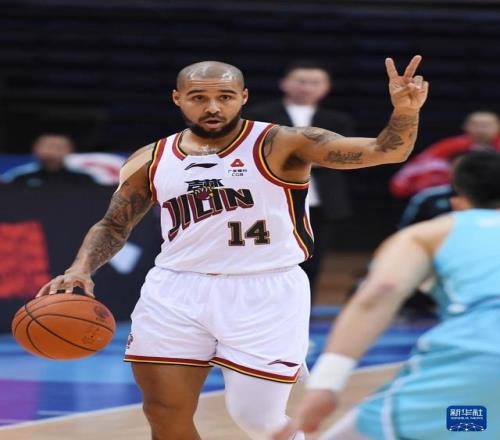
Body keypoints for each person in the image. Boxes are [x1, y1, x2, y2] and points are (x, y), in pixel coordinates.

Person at [37, 57, 427, 440]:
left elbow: (386, 150)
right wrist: (81, 268)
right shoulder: (151, 158)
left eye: (224, 96)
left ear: (243, 97)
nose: (212, 107)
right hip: (175, 291)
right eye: (199, 97)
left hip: (264, 290)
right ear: (178, 98)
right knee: (162, 413)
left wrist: (405, 112)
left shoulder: (282, 143)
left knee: (257, 419)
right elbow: (113, 224)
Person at [275, 151, 500, 440]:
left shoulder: (429, 234)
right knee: (474, 427)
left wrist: (326, 385)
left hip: (481, 355)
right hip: (478, 377)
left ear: (456, 200)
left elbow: (379, 294)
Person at [246, 60, 354, 300]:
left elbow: (344, 156)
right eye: (301, 81)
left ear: (326, 87)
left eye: (315, 83)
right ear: (284, 83)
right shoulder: (259, 116)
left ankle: (303, 317)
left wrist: (292, 157)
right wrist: (312, 156)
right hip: (272, 201)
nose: (307, 88)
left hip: (320, 203)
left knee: (312, 262)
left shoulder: (337, 120)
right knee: (266, 261)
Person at [390, 111, 500, 198]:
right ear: (466, 126)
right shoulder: (447, 147)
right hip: (457, 195)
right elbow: (404, 181)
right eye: (476, 125)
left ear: (498, 127)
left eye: (486, 125)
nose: (481, 130)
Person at [1, 134, 96, 187]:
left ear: (70, 150)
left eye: (59, 147)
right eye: (48, 146)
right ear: (35, 149)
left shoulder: (84, 178)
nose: (52, 151)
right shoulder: (19, 176)